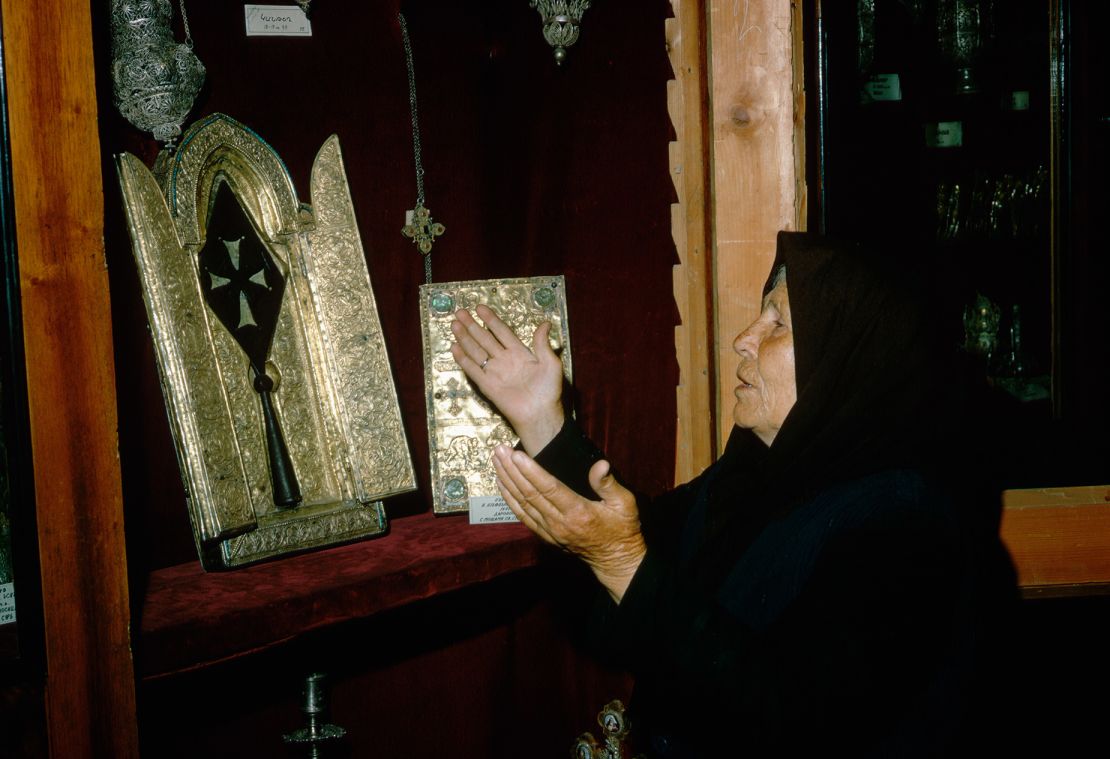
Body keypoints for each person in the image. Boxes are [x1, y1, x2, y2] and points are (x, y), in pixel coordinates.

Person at [450, 231, 1017, 756]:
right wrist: (543, 421)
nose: (744, 340)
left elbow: (792, 717)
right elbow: (639, 537)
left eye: (780, 323)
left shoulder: (907, 524)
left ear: (846, 361)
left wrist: (623, 562)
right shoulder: (755, 476)